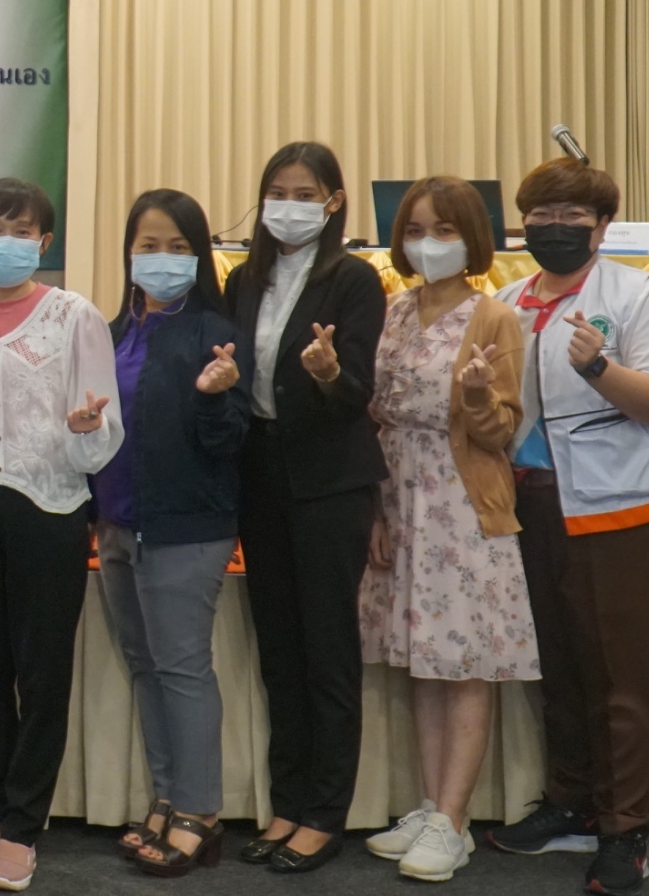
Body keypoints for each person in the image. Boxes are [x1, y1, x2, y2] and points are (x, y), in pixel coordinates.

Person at [481, 159, 649, 896]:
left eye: (574, 215)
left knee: (621, 675)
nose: (557, 226)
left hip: (622, 509)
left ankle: (626, 826)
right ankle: (570, 801)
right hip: (532, 504)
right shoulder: (505, 302)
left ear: (603, 226)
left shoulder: (641, 297)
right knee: (560, 666)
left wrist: (599, 367)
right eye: (542, 214)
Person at [0, 178, 123, 893]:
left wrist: (86, 428)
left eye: (22, 231)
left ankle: (22, 826)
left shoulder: (75, 316)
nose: (6, 242)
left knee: (42, 672)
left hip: (50, 510)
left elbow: (104, 429)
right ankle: (0, 809)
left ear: (44, 241)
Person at [357, 177, 536, 881]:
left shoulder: (494, 317)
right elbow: (375, 414)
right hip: (398, 495)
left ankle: (454, 821)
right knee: (423, 661)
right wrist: (376, 509)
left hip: (461, 502)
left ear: (473, 237)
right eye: (415, 230)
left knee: (464, 662)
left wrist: (476, 397)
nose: (427, 243)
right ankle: (433, 806)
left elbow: (501, 431)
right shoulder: (395, 310)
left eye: (444, 229)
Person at [221, 142, 386, 872]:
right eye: (277, 192)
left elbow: (356, 394)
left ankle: (324, 812)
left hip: (329, 484)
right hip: (261, 476)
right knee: (279, 650)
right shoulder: (245, 277)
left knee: (326, 650)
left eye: (303, 193)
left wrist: (328, 372)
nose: (287, 206)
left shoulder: (354, 279)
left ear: (334, 202)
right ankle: (286, 803)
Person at [94, 189, 250, 878]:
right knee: (144, 665)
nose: (162, 259)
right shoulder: (109, 331)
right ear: (128, 254)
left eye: (178, 247)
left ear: (199, 255)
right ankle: (166, 795)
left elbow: (230, 442)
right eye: (148, 246)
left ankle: (200, 811)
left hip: (186, 528)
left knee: (183, 668)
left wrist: (215, 398)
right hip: (117, 523)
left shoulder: (215, 332)